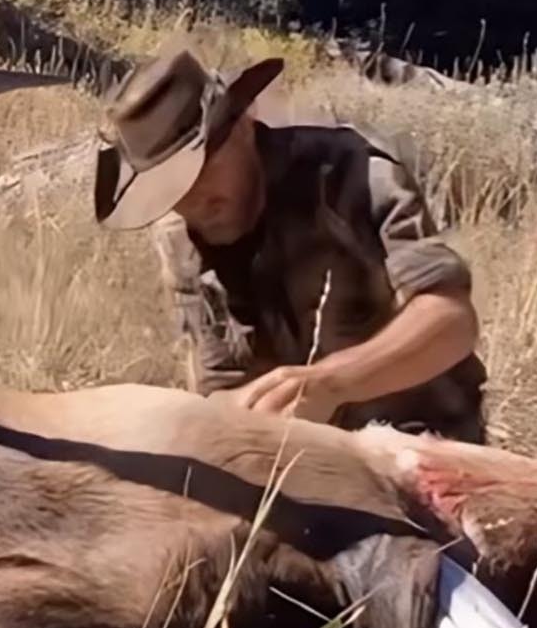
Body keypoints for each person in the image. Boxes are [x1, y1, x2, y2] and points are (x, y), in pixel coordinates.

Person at [92, 42, 487, 443]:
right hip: (301, 462)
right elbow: (221, 387)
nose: (192, 197)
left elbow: (450, 320)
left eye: (202, 166)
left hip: (426, 444)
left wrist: (331, 384)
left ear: (244, 124)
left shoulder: (351, 173)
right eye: (169, 185)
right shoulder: (181, 242)